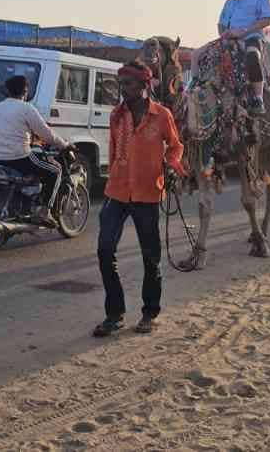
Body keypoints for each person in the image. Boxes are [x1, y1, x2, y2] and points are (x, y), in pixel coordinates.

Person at [93, 61, 186, 337]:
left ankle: (149, 312)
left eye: (129, 84)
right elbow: (112, 151)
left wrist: (171, 165)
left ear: (145, 86)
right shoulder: (116, 116)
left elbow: (176, 146)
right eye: (121, 84)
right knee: (104, 250)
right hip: (117, 191)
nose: (123, 89)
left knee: (150, 256)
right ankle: (114, 314)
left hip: (147, 193)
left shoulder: (162, 115)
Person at [0, 75, 68, 226]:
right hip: (19, 157)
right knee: (55, 171)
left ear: (7, 91)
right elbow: (47, 134)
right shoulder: (26, 108)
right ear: (26, 91)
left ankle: (26, 201)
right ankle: (44, 212)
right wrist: (64, 145)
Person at [217, 0, 270, 114]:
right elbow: (221, 24)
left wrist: (243, 31)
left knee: (251, 55)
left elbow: (267, 19)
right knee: (201, 56)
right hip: (230, 40)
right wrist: (225, 37)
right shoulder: (230, 1)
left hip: (251, 37)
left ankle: (258, 98)